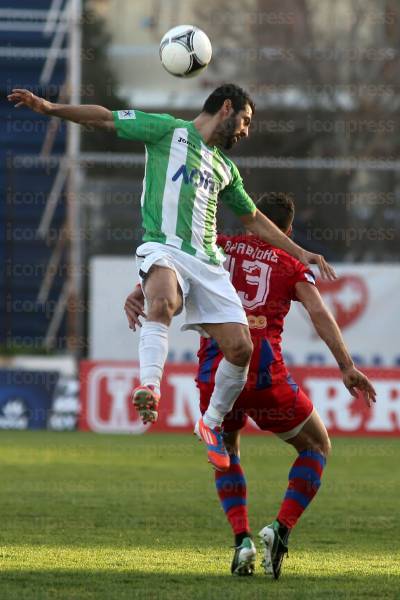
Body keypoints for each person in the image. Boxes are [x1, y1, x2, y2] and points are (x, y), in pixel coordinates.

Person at [8, 85, 335, 472]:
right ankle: (149, 384)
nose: (246, 131)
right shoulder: (166, 131)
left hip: (209, 264)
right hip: (164, 248)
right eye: (245, 121)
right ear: (226, 108)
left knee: (241, 349)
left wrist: (300, 253)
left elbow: (253, 220)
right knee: (162, 303)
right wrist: (50, 108)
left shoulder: (226, 169)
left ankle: (210, 424)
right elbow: (105, 118)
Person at [124, 192, 376, 578]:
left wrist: (140, 291)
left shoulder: (217, 246)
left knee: (227, 449)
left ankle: (241, 541)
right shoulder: (291, 262)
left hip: (215, 369)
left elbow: (171, 269)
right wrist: (346, 366)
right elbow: (319, 313)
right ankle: (280, 527)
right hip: (262, 373)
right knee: (317, 446)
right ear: (287, 230)